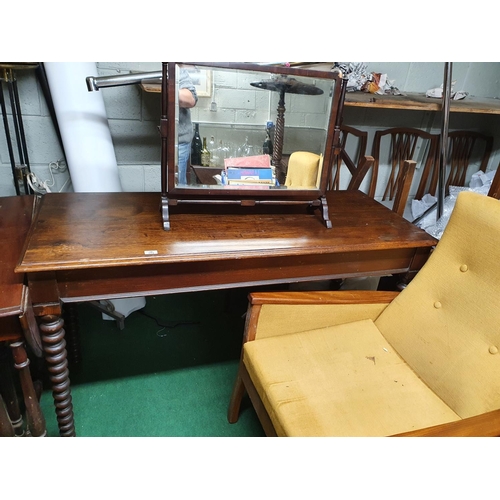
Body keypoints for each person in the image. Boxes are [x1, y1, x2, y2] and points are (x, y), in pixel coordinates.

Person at [177, 68, 198, 185]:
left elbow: (190, 100)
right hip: (157, 139)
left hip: (179, 141)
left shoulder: (179, 71)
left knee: (177, 187)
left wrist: (167, 88)